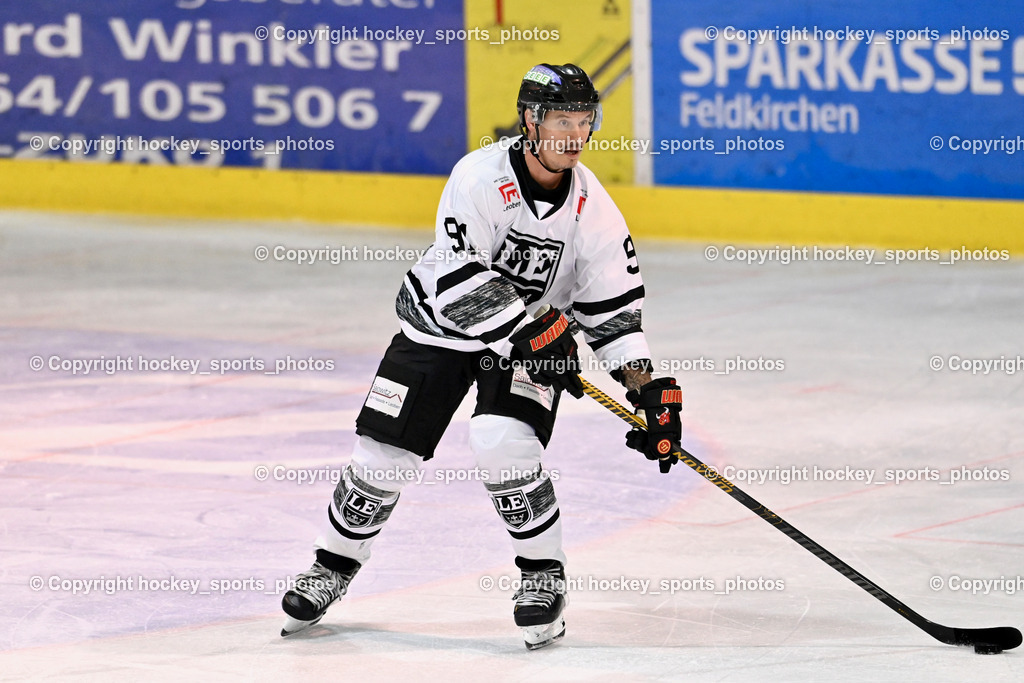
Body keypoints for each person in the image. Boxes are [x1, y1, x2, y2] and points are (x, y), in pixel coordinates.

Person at [281, 63, 683, 650]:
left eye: (584, 121)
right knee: (381, 456)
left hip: (527, 343)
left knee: (503, 442)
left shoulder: (594, 209)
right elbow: (457, 276)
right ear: (531, 121)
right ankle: (331, 567)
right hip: (440, 327)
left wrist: (645, 390)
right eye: (562, 121)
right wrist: (530, 332)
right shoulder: (478, 176)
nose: (575, 135)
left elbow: (612, 307)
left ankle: (543, 576)